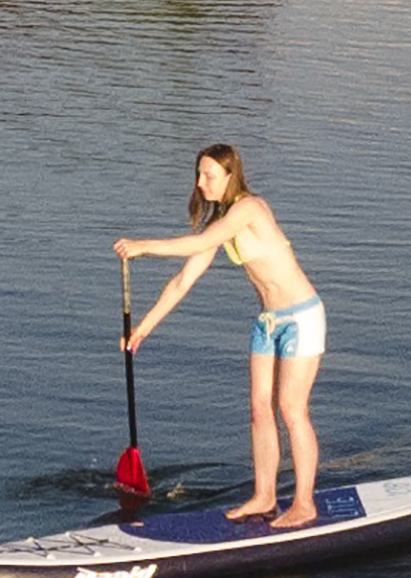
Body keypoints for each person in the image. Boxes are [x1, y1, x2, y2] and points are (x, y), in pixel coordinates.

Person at [113, 144, 325, 527]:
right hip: (268, 322)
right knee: (260, 409)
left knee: (291, 409)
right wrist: (142, 329)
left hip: (301, 318)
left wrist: (144, 246)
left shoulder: (250, 209)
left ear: (231, 176)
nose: (200, 183)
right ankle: (264, 496)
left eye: (209, 175)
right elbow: (182, 281)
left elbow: (195, 245)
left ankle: (305, 503)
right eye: (198, 174)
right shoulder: (221, 225)